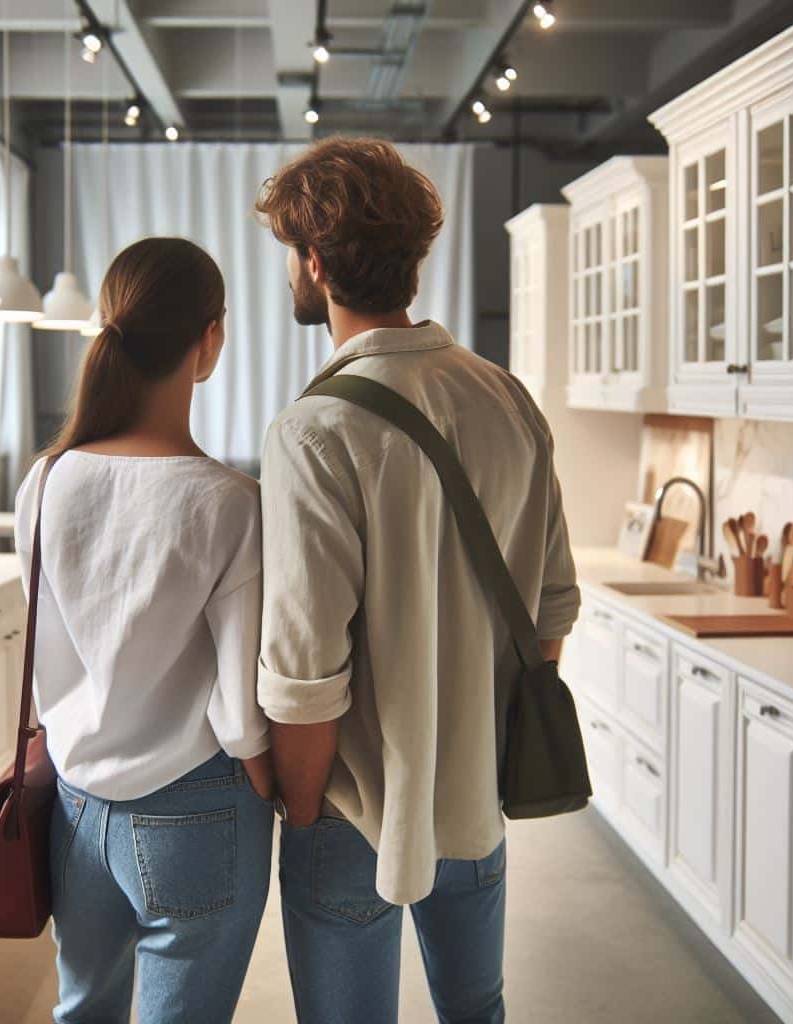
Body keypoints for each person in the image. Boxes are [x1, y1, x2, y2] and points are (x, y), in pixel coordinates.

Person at [254, 137, 581, 1023]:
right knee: (477, 1011)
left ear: (316, 263)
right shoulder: (507, 397)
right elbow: (551, 612)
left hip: (357, 809)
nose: (291, 270)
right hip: (477, 795)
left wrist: (305, 813)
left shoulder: (314, 430)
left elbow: (305, 675)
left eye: (291, 253)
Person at [14, 237, 275, 1024]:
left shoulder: (48, 478)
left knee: (83, 1010)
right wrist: (275, 797)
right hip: (194, 804)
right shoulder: (229, 501)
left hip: (75, 800)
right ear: (210, 340)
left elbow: (47, 651)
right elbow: (239, 711)